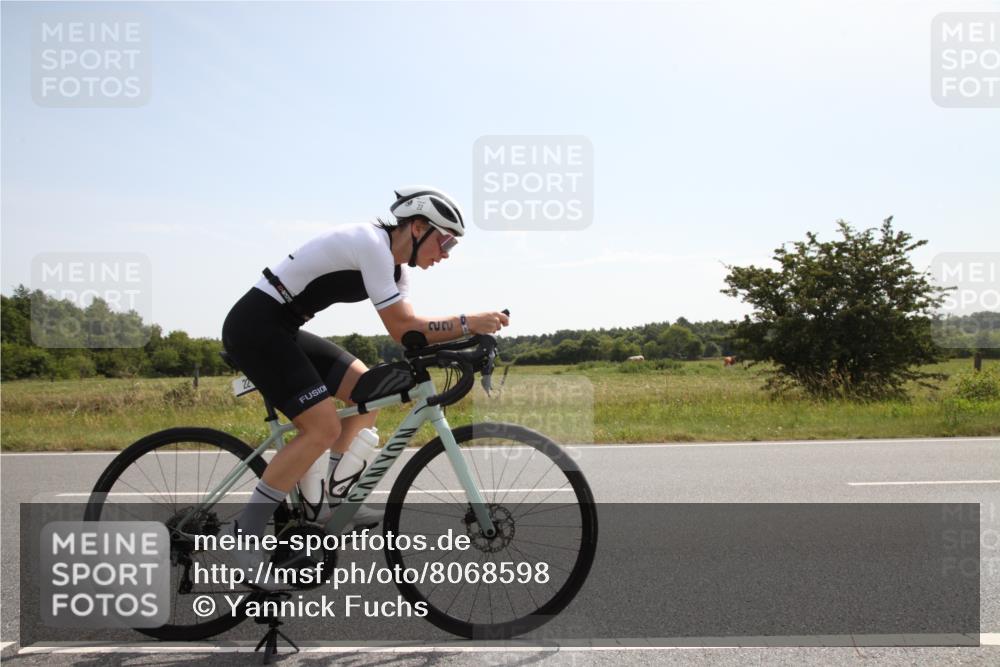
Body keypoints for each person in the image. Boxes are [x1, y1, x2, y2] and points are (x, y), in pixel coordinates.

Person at [220, 186, 509, 584]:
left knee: (368, 393)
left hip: (283, 329)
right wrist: (467, 322)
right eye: (445, 242)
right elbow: (403, 327)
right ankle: (243, 534)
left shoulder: (398, 271)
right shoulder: (371, 244)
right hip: (255, 327)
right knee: (323, 428)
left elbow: (413, 336)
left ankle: (331, 501)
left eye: (452, 247)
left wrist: (467, 341)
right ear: (418, 227)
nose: (446, 254)